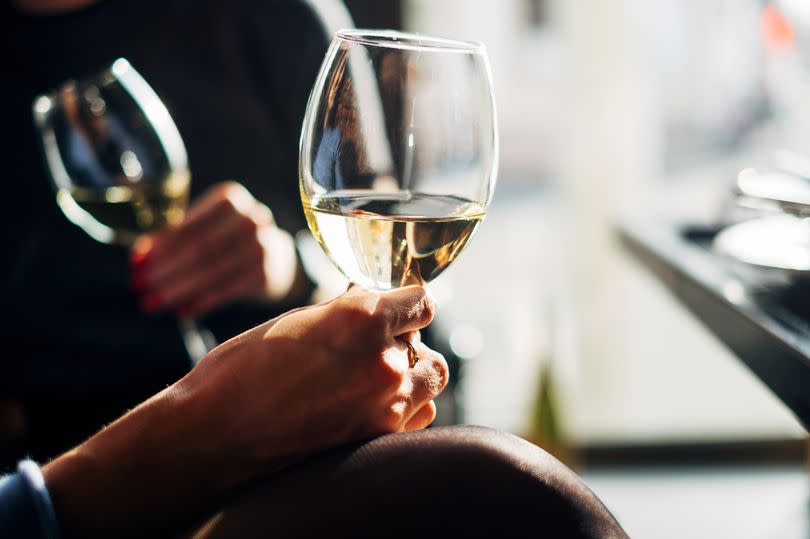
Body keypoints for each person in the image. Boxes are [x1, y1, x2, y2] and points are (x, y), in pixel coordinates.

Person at [0, 0, 343, 469]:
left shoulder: (270, 16)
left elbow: (398, 266)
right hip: (44, 469)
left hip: (279, 444)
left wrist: (290, 267)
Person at [0, 286, 629, 538]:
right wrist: (211, 422)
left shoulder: (277, 24)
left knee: (503, 492)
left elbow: (407, 286)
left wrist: (284, 266)